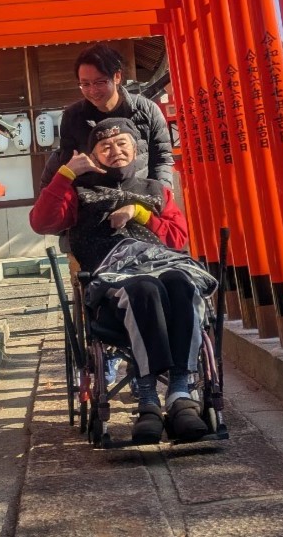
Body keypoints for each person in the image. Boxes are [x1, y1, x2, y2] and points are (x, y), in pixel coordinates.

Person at [30, 118, 215, 444]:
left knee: (182, 283)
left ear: (135, 148)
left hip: (162, 266)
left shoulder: (156, 191)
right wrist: (67, 173)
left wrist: (139, 213)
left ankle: (180, 390)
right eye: (105, 146)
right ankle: (147, 398)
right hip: (112, 281)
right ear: (94, 154)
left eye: (122, 144)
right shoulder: (80, 193)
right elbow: (42, 221)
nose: (115, 151)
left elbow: (178, 239)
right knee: (145, 288)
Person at [40, 42, 174, 190]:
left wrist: (159, 198)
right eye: (85, 84)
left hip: (140, 202)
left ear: (117, 76)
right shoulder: (72, 117)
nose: (93, 90)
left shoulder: (147, 110)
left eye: (99, 82)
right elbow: (69, 163)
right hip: (96, 205)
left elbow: (161, 161)